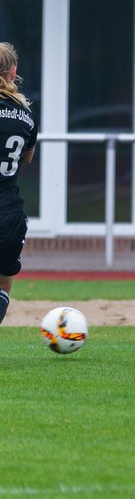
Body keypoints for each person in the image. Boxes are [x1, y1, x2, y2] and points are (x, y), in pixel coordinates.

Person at [0, 43, 38, 326]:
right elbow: (27, 158)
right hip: (10, 216)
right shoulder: (26, 115)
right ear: (14, 72)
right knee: (2, 289)